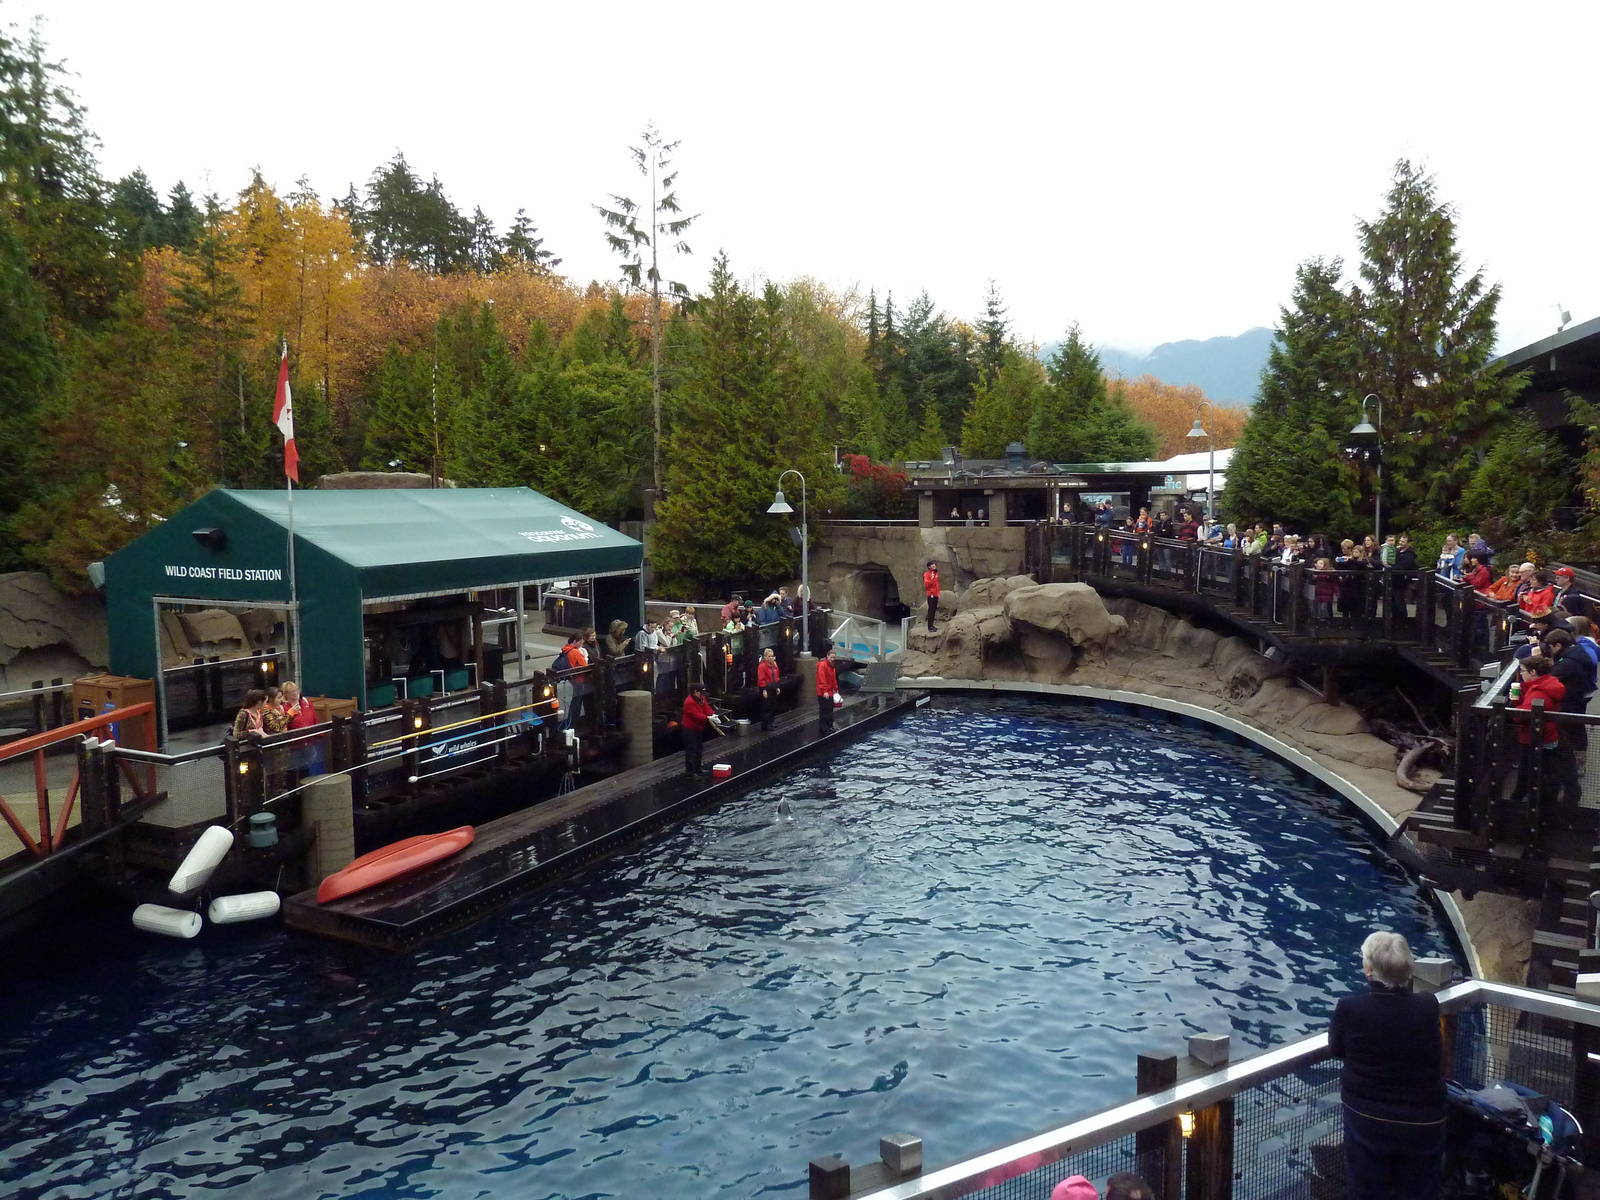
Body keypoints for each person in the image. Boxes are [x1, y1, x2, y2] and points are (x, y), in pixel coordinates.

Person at [1326, 931, 1445, 1199]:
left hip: (1368, 1119)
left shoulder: (1349, 1008)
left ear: (1368, 970)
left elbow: (1336, 1050)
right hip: (1424, 1118)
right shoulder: (1428, 1005)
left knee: (1367, 1190)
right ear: (1409, 969)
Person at [680, 682, 716, 775]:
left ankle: (698, 769)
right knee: (691, 750)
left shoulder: (701, 698)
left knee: (699, 748)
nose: (702, 694)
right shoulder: (689, 702)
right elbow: (695, 714)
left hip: (698, 727)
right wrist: (707, 718)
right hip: (689, 729)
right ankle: (690, 772)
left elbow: (706, 707)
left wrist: (712, 714)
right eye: (700, 692)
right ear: (695, 692)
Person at [815, 644, 839, 733]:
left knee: (830, 709)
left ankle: (829, 725)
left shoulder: (832, 666)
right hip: (823, 692)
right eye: (831, 657)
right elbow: (822, 678)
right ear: (827, 656)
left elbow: (833, 679)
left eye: (834, 657)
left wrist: (836, 689)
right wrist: (824, 691)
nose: (833, 659)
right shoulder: (823, 665)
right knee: (824, 710)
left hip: (830, 691)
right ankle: (823, 727)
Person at [757, 646, 780, 731]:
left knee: (773, 706)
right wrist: (764, 690)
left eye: (772, 656)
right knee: (766, 707)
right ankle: (765, 725)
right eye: (769, 656)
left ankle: (771, 722)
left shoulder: (774, 665)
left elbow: (776, 676)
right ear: (765, 657)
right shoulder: (762, 666)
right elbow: (761, 679)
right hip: (766, 688)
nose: (771, 658)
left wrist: (777, 687)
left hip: (773, 687)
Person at [923, 560, 941, 633]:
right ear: (929, 567)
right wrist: (932, 577)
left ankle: (932, 625)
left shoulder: (935, 573)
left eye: (934, 566)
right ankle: (929, 627)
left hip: (936, 594)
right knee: (931, 610)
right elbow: (927, 585)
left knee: (933, 610)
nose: (934, 567)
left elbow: (936, 584)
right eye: (933, 566)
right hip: (931, 595)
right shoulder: (927, 574)